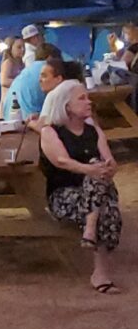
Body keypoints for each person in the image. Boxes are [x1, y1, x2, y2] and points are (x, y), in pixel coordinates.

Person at [40, 80, 123, 293]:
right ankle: (100, 271)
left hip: (97, 191)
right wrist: (91, 169)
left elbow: (111, 162)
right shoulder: (50, 132)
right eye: (82, 98)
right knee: (106, 202)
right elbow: (62, 161)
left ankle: (90, 230)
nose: (89, 102)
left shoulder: (94, 131)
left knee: (101, 180)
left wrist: (107, 168)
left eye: (88, 97)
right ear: (66, 106)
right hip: (65, 195)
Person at [1, 43, 60, 120]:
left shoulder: (27, 70)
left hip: (8, 117)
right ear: (50, 57)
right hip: (28, 119)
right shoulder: (49, 69)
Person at [0, 35, 26, 105]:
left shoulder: (22, 64)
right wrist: (22, 83)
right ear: (11, 48)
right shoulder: (8, 63)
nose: (23, 49)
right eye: (19, 47)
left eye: (24, 47)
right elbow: (4, 81)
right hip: (8, 102)